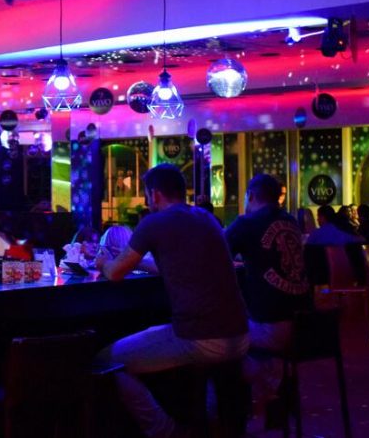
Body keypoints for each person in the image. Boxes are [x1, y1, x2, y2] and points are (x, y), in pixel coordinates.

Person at [95, 164, 248, 438]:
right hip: (241, 333)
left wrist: (103, 262)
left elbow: (115, 273)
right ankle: (204, 423)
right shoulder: (205, 217)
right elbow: (175, 266)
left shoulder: (154, 222)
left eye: (146, 196)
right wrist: (138, 262)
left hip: (201, 337)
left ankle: (168, 431)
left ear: (155, 194)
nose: (147, 202)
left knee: (105, 362)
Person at [225, 175, 312, 412]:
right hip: (309, 327)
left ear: (250, 196)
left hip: (273, 327)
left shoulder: (247, 223)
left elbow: (214, 254)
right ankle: (275, 380)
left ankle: (269, 387)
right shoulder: (291, 221)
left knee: (215, 341)